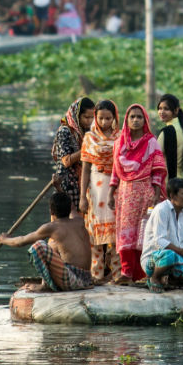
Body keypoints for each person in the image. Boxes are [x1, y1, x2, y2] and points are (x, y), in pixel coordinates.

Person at [110, 103, 167, 283]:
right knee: (126, 232)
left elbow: (158, 170)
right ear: (126, 119)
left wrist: (156, 195)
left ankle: (143, 274)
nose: (135, 120)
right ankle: (127, 273)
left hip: (145, 192)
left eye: (139, 117)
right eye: (132, 117)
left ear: (145, 121)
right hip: (125, 193)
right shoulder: (120, 142)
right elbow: (115, 170)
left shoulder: (151, 142)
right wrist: (110, 191)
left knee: (143, 233)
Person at [0, 191, 96, 292]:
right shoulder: (79, 221)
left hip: (74, 281)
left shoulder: (52, 227)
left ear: (51, 211)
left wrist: (4, 240)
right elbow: (71, 207)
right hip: (86, 279)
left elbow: (21, 241)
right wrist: (59, 188)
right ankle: (49, 283)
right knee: (52, 246)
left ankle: (44, 286)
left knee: (39, 246)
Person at [140, 178, 183, 292]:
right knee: (170, 255)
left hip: (178, 254)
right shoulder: (161, 210)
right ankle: (155, 278)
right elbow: (160, 242)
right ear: (173, 196)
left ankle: (175, 278)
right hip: (154, 259)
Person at [78, 99, 119, 279]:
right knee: (95, 236)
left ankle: (117, 275)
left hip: (115, 186)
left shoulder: (120, 137)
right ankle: (97, 275)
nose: (104, 122)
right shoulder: (89, 138)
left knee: (115, 236)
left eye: (108, 118)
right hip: (95, 187)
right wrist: (82, 197)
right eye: (101, 118)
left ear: (114, 118)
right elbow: (85, 169)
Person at [50, 96, 95, 206]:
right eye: (86, 117)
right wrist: (86, 149)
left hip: (83, 183)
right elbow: (66, 161)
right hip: (66, 184)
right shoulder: (65, 131)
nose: (89, 121)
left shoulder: (88, 132)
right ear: (77, 116)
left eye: (92, 118)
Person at [155, 93, 183, 187]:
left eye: (166, 109)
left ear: (176, 110)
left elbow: (155, 160)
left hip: (169, 183)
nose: (162, 112)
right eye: (160, 108)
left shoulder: (166, 132)